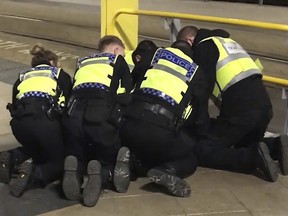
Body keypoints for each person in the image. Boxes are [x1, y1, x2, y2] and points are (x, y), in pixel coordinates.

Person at [177, 26, 284, 182]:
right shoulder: (227, 43)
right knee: (238, 143)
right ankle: (277, 146)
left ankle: (253, 159)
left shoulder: (204, 48)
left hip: (242, 113)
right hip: (264, 110)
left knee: (202, 149)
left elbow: (201, 93)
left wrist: (199, 127)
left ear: (189, 41)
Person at [120, 40, 208, 197]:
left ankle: (127, 164)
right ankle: (167, 170)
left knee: (139, 147)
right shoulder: (197, 71)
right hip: (161, 127)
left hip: (129, 122)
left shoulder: (155, 54)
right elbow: (199, 116)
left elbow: (132, 80)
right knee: (188, 158)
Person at [62, 35, 133, 207]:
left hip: (74, 116)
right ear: (116, 50)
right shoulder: (117, 61)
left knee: (80, 150)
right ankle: (102, 173)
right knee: (108, 155)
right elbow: (125, 96)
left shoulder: (82, 62)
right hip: (100, 114)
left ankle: (77, 169)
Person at [0, 44, 72, 197]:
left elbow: (15, 103)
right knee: (59, 161)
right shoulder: (59, 74)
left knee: (36, 149)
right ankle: (34, 175)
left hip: (20, 125)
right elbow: (69, 106)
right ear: (52, 62)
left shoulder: (22, 76)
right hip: (44, 122)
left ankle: (12, 157)